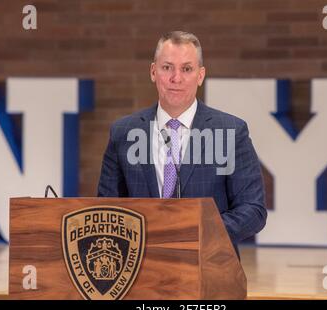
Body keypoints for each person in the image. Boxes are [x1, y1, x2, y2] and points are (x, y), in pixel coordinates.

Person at [97, 31, 267, 256]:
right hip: (140, 271)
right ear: (153, 72)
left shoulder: (231, 131)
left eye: (186, 69)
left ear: (200, 75)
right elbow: (105, 211)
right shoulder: (123, 133)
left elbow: (253, 211)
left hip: (209, 268)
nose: (176, 78)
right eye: (167, 67)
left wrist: (195, 233)